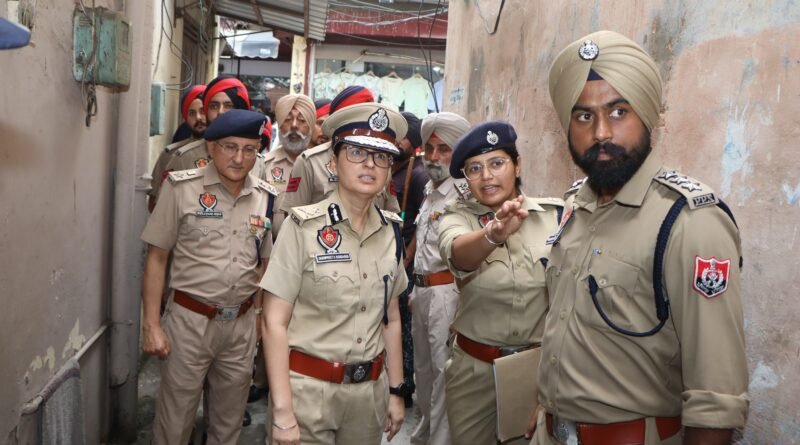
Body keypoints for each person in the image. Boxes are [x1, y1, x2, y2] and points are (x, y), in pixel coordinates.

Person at [529, 30, 748, 445]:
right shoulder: (574, 206)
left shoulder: (689, 222)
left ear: (647, 117)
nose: (601, 133)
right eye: (583, 116)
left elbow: (715, 398)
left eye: (618, 112)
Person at [261, 103, 410, 445]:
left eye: (381, 156)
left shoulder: (391, 232)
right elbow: (273, 323)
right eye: (357, 152)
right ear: (333, 161)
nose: (370, 164)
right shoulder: (302, 228)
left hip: (368, 398)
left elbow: (391, 318)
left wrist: (396, 390)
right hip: (308, 395)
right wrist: (283, 412)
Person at [141, 109, 278, 444]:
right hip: (189, 323)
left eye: (249, 149)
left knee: (228, 424)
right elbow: (157, 258)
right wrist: (152, 324)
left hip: (241, 325)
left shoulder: (265, 196)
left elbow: (263, 263)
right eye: (230, 147)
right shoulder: (181, 189)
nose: (239, 158)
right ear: (211, 148)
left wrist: (259, 317)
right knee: (175, 423)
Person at [437, 121, 563, 445]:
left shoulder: (555, 217)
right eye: (474, 169)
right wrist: (492, 235)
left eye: (497, 163)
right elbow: (459, 254)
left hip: (535, 371)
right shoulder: (456, 215)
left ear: (517, 165)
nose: (487, 176)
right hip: (473, 371)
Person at [409, 112, 471, 445]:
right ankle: (423, 432)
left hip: (447, 295)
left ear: (457, 152)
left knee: (443, 376)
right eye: (429, 148)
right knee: (423, 373)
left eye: (444, 149)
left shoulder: (464, 194)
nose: (434, 157)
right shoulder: (430, 190)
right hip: (422, 293)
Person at [280, 86, 401, 213]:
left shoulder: (381, 162)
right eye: (359, 117)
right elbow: (293, 215)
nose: (370, 164)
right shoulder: (310, 162)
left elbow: (391, 214)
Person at [390, 111, 428, 408]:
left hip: (406, 260)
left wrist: (408, 257)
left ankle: (405, 384)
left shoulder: (418, 174)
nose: (396, 141)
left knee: (403, 324)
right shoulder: (393, 168)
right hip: (391, 256)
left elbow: (423, 223)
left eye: (402, 136)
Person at [163, 75, 251, 174]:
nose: (220, 112)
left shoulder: (256, 161)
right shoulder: (183, 157)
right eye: (214, 106)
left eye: (228, 106)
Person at [259, 94, 316, 238]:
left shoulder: (322, 165)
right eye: (288, 119)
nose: (294, 125)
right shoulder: (263, 165)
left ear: (311, 125)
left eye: (302, 120)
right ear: (279, 125)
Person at [148, 84, 206, 212]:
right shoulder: (171, 154)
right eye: (192, 113)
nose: (198, 117)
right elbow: (154, 204)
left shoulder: (226, 152)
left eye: (202, 111)